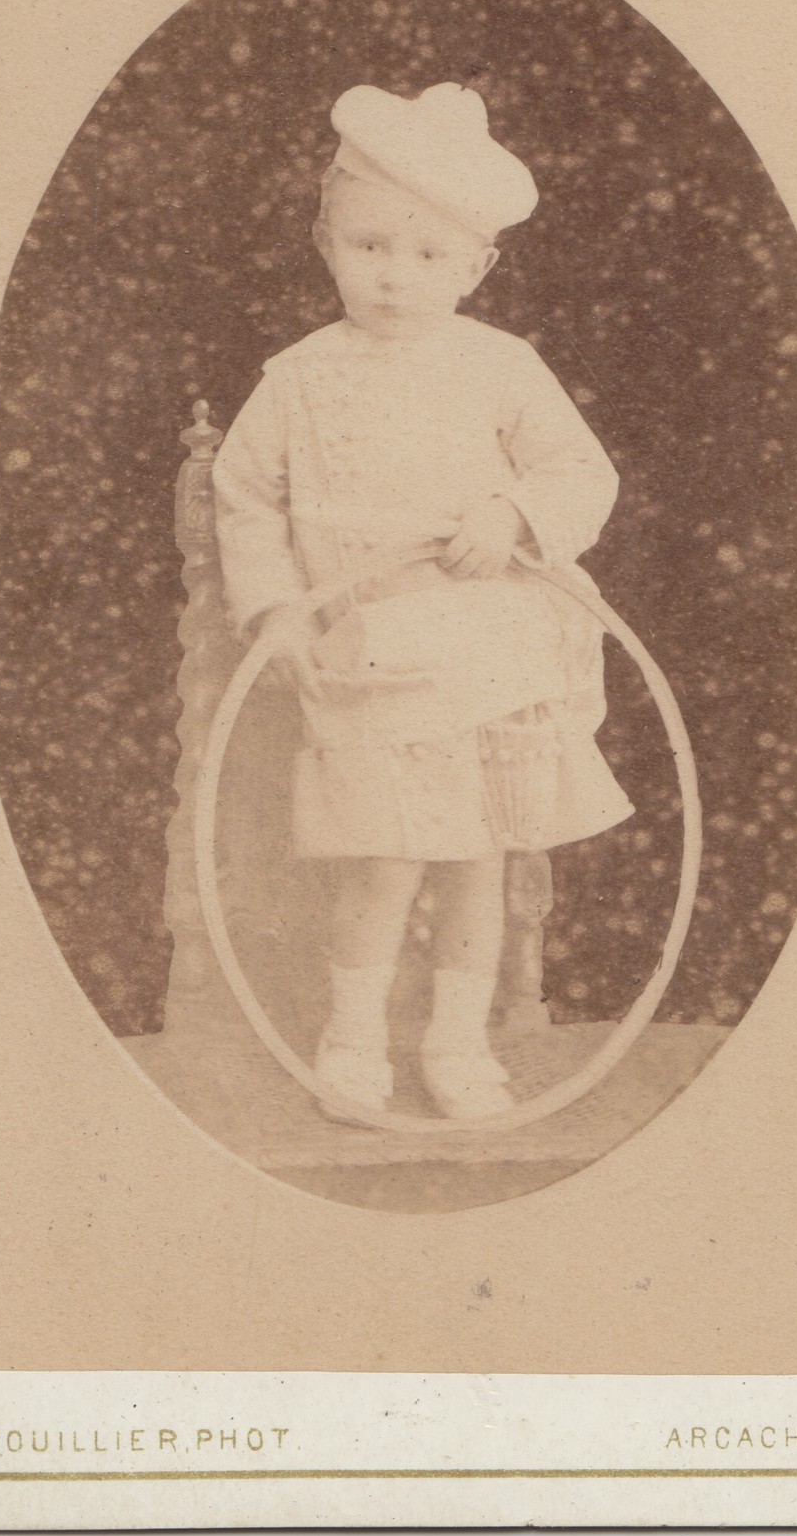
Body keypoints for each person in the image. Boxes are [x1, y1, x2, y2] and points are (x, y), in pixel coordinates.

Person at [213, 82, 633, 1121]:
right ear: (324, 241)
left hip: (486, 651)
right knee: (385, 862)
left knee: (476, 865)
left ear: (477, 267)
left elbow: (579, 472)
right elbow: (247, 497)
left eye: (428, 255)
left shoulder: (500, 365)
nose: (395, 276)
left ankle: (457, 1043)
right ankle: (352, 1038)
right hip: (368, 656)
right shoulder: (298, 378)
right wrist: (276, 608)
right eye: (369, 246)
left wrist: (512, 513)